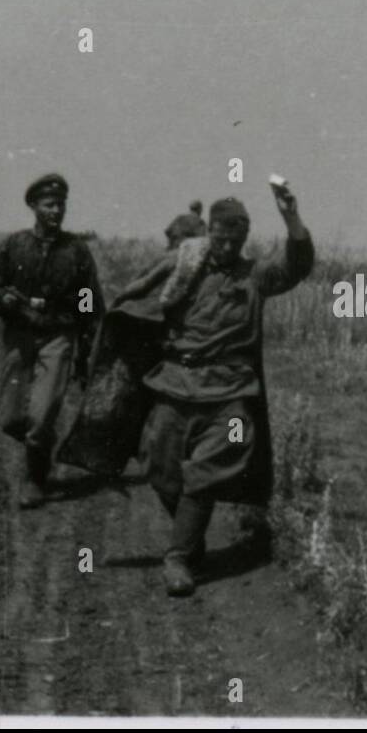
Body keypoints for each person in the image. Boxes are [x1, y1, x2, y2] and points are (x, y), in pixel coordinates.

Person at [125, 182, 313, 597]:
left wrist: (291, 217)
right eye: (219, 236)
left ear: (244, 238)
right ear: (208, 231)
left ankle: (177, 557)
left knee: (211, 465)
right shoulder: (185, 270)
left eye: (234, 238)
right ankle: (191, 536)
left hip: (229, 396)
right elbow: (141, 297)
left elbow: (297, 265)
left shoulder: (256, 276)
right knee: (158, 466)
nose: (225, 245)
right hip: (175, 385)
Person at [0, 173, 105, 507]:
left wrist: (87, 347)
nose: (56, 211)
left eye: (61, 204)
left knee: (44, 411)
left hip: (58, 336)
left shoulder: (76, 251)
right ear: (33, 206)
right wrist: (3, 299)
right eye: (49, 204)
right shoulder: (14, 245)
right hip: (20, 335)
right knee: (10, 419)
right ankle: (41, 442)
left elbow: (90, 301)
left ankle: (34, 480)